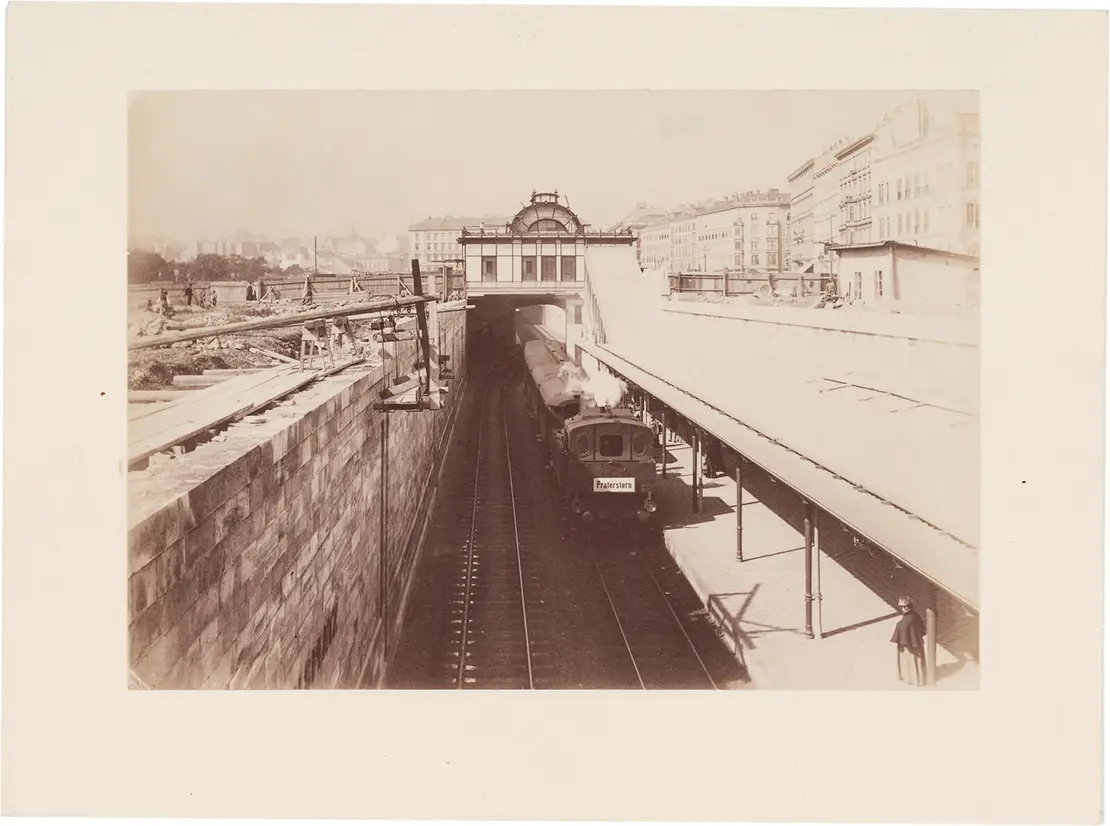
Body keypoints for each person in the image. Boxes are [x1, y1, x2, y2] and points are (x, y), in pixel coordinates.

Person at [891, 596, 927, 686]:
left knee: (910, 660)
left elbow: (901, 629)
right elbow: (923, 629)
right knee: (916, 661)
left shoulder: (905, 621)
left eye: (906, 606)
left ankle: (913, 679)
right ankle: (920, 679)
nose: (904, 608)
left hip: (907, 644)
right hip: (916, 642)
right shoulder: (916, 616)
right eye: (903, 606)